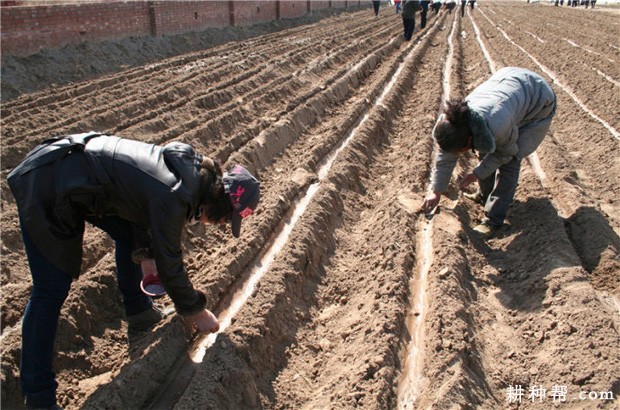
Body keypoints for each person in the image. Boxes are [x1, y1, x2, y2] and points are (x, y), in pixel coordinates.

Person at [7, 132, 261, 409]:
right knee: (50, 288)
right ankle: (38, 398)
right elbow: (170, 263)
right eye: (225, 219)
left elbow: (137, 209)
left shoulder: (190, 173)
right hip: (48, 181)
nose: (220, 224)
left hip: (76, 174)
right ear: (220, 202)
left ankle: (139, 313)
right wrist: (196, 310)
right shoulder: (175, 194)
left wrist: (144, 252)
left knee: (128, 235)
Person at [421, 67, 556, 235]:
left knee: (511, 162)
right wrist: (436, 191)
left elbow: (505, 153)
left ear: (469, 140)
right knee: (485, 149)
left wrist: (476, 174)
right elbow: (446, 155)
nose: (458, 155)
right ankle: (484, 195)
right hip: (509, 82)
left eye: (461, 151)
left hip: (538, 99)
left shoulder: (498, 125)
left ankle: (494, 220)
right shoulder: (450, 123)